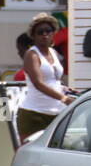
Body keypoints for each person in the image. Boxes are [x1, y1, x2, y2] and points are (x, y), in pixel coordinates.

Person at [16, 13, 75, 141]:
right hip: (34, 114)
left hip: (56, 113)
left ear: (54, 33)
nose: (45, 34)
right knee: (29, 157)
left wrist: (64, 89)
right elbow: (38, 83)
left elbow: (53, 80)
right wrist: (63, 98)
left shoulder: (53, 52)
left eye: (48, 30)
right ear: (33, 35)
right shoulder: (32, 55)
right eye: (40, 32)